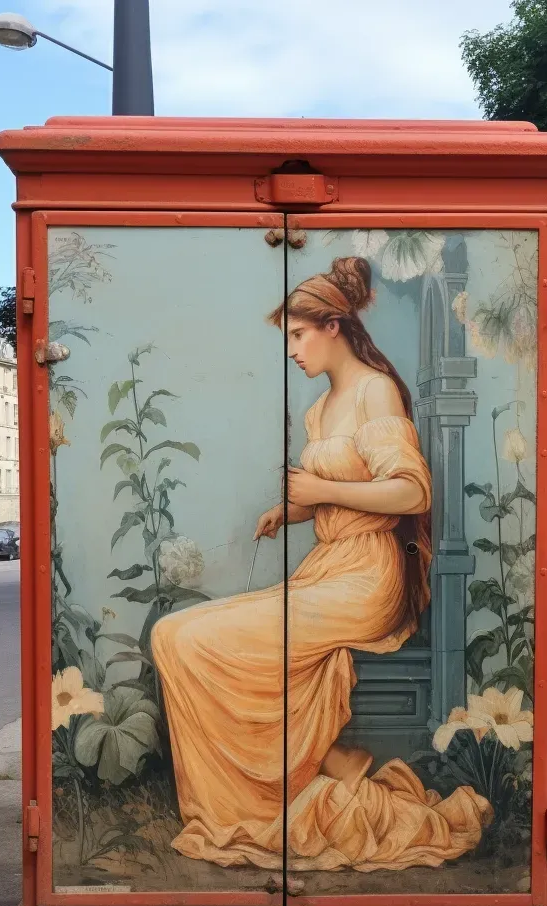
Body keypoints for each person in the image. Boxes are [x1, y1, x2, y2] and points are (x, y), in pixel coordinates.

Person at [150, 256, 491, 873]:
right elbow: (335, 489)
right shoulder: (320, 408)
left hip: (367, 577)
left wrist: (320, 494)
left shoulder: (375, 391)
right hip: (329, 566)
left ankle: (257, 801)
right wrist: (293, 510)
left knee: (189, 638)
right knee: (174, 635)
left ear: (334, 326)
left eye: (298, 335)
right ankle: (319, 768)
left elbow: (412, 494)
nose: (291, 351)